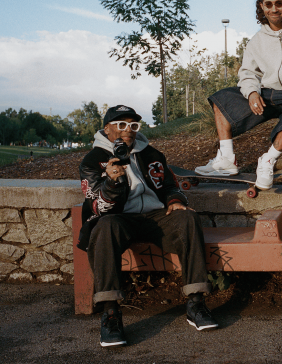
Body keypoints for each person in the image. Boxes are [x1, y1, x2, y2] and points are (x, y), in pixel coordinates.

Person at [77, 105, 218, 348]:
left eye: (133, 125)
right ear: (107, 129)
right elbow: (99, 207)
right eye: (121, 125)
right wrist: (111, 182)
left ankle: (196, 303)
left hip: (155, 215)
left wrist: (174, 201)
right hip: (119, 218)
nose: (128, 130)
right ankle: (110, 313)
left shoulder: (152, 154)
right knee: (105, 227)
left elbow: (170, 185)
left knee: (188, 218)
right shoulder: (93, 161)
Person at [194, 0, 282, 190]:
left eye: (279, 3)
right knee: (222, 98)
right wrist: (252, 93)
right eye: (269, 4)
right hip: (270, 93)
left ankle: (268, 160)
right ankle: (226, 158)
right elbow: (248, 73)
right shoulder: (256, 40)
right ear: (262, 7)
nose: (274, 9)